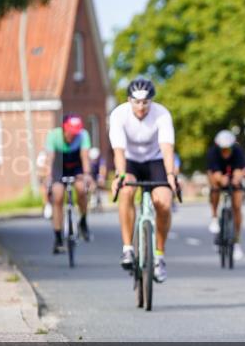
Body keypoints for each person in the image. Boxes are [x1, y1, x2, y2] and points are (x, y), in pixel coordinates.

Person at [109, 78, 178, 283]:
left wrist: (171, 176)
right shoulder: (119, 115)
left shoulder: (162, 114)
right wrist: (121, 176)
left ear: (151, 101)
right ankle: (128, 249)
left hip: (155, 160)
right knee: (126, 190)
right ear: (129, 100)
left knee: (164, 202)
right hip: (130, 161)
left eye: (145, 102)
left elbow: (167, 148)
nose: (141, 107)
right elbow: (118, 151)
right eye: (136, 102)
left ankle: (159, 256)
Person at [42, 114, 92, 253]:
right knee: (57, 196)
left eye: (75, 133)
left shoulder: (83, 135)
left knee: (81, 189)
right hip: (59, 165)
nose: (73, 136)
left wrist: (87, 174)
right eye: (70, 132)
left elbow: (85, 156)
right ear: (63, 129)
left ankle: (83, 220)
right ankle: (58, 238)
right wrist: (48, 177)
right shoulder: (54, 136)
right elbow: (50, 159)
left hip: (76, 165)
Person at [206, 129, 245, 261]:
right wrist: (221, 180)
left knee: (237, 205)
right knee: (214, 187)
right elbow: (214, 173)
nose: (225, 152)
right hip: (218, 175)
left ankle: (236, 240)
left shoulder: (238, 152)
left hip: (233, 175)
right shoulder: (213, 153)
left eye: (228, 149)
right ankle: (214, 217)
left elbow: (240, 170)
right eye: (223, 149)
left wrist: (236, 180)